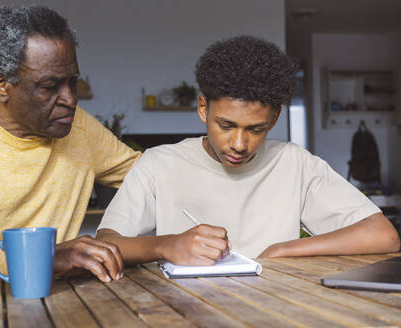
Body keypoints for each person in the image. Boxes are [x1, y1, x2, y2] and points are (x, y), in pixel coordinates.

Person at [96, 35, 400, 266]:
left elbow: (383, 235)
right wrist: (165, 245)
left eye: (256, 129)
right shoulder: (159, 164)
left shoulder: (294, 163)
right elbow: (106, 244)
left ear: (275, 118)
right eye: (226, 126)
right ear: (203, 108)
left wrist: (284, 248)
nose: (239, 145)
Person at [0, 5, 140, 283]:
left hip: (59, 303)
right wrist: (41, 259)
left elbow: (151, 176)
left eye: (72, 82)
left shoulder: (80, 128)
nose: (70, 99)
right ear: (1, 86)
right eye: (49, 86)